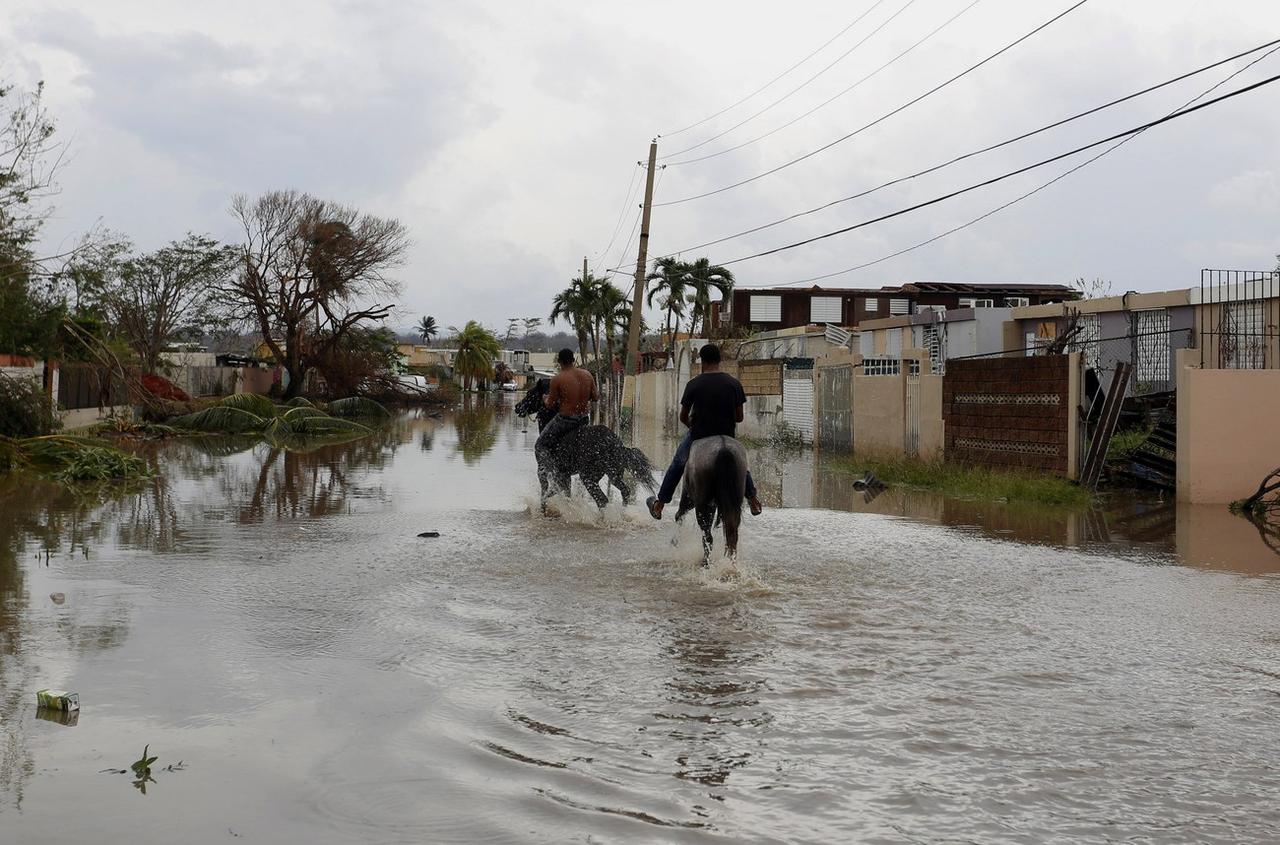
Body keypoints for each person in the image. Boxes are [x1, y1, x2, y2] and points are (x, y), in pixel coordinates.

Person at [647, 343, 762, 519]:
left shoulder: (694, 384)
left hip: (698, 436)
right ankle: (753, 499)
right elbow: (739, 417)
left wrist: (692, 425)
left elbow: (683, 416)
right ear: (719, 360)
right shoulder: (734, 383)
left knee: (677, 464)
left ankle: (660, 505)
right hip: (727, 436)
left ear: (702, 361)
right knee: (742, 465)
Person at [535, 348, 598, 498]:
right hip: (584, 420)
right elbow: (595, 397)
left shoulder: (558, 378)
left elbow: (550, 405)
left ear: (559, 362)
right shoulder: (587, 375)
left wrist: (545, 398)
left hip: (565, 421)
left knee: (540, 445)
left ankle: (555, 475)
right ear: (574, 360)